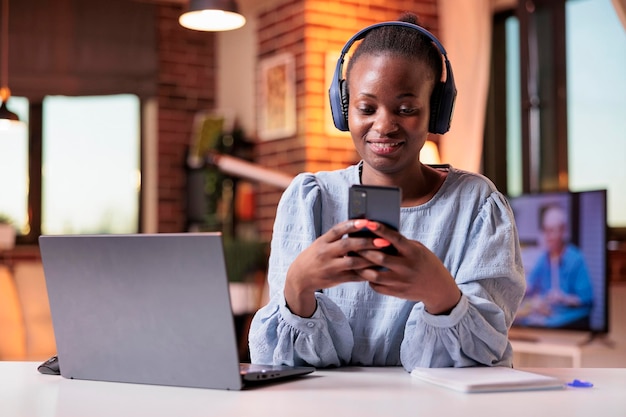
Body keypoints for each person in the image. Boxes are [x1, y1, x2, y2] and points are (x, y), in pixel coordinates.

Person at [248, 13, 526, 371]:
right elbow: (276, 362)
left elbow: (486, 350)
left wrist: (441, 294)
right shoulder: (310, 199)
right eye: (366, 108)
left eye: (407, 109)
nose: (384, 125)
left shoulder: (477, 205)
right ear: (343, 108)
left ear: (436, 113)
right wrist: (297, 286)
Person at [515, 204, 593, 329]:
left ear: (563, 231)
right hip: (547, 316)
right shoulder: (544, 258)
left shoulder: (576, 259)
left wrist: (564, 298)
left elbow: (586, 299)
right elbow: (529, 286)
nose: (548, 237)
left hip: (568, 319)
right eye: (545, 231)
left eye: (551, 231)